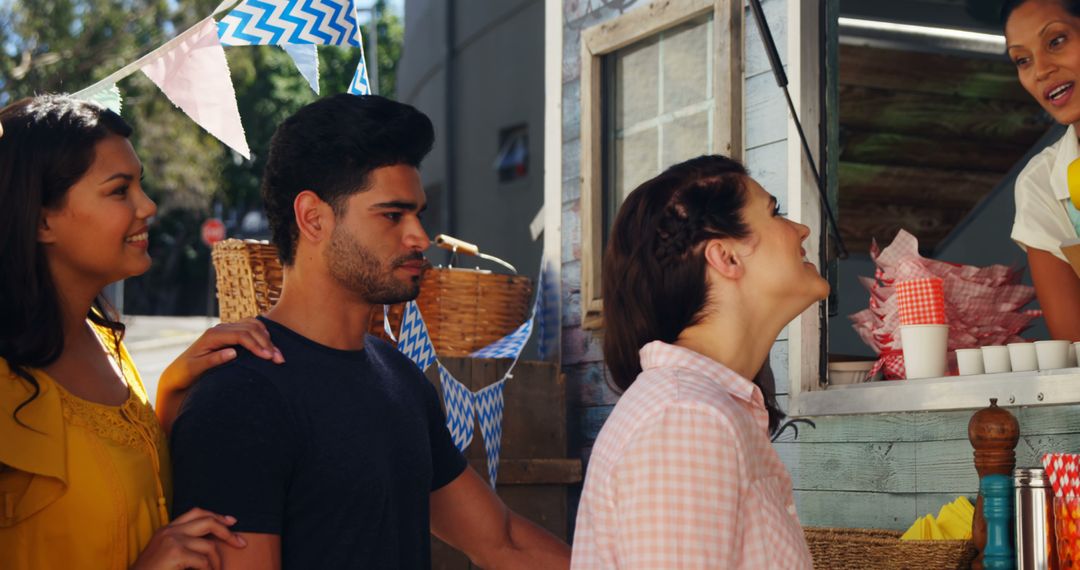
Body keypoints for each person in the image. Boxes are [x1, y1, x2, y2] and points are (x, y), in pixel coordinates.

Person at [168, 94, 571, 569]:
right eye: (392, 215)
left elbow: (501, 541)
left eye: (418, 213)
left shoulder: (399, 378)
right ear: (313, 218)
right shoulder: (240, 396)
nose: (419, 236)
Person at [0, 95, 285, 569]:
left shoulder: (104, 342)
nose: (148, 206)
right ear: (40, 218)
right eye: (119, 190)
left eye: (141, 186)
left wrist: (172, 393)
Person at [571, 156, 824, 569]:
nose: (801, 229)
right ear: (725, 258)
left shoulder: (701, 408)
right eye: (775, 213)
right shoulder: (686, 418)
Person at [1004, 0, 1080, 341]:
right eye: (1023, 60)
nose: (1041, 70)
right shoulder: (1044, 183)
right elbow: (1074, 346)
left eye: (1056, 41)